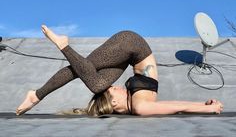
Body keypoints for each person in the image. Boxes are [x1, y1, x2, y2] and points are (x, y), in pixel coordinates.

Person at [16, 25, 223, 116]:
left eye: (113, 88)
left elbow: (175, 106)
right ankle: (38, 92)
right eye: (112, 90)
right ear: (114, 102)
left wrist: (203, 106)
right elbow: (175, 106)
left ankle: (37, 94)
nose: (114, 86)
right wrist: (205, 107)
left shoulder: (135, 104)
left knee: (90, 77)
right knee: (93, 80)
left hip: (128, 48)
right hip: (133, 45)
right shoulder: (140, 107)